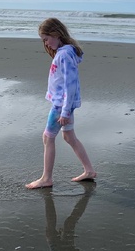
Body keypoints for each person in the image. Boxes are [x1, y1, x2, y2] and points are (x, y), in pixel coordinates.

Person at [26, 18, 96, 189]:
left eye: (46, 39)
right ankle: (89, 171)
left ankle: (46, 178)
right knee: (68, 136)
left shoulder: (64, 55)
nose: (46, 44)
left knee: (47, 137)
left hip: (61, 105)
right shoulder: (65, 52)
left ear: (56, 34)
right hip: (64, 104)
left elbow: (70, 85)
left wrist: (65, 111)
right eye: (44, 41)